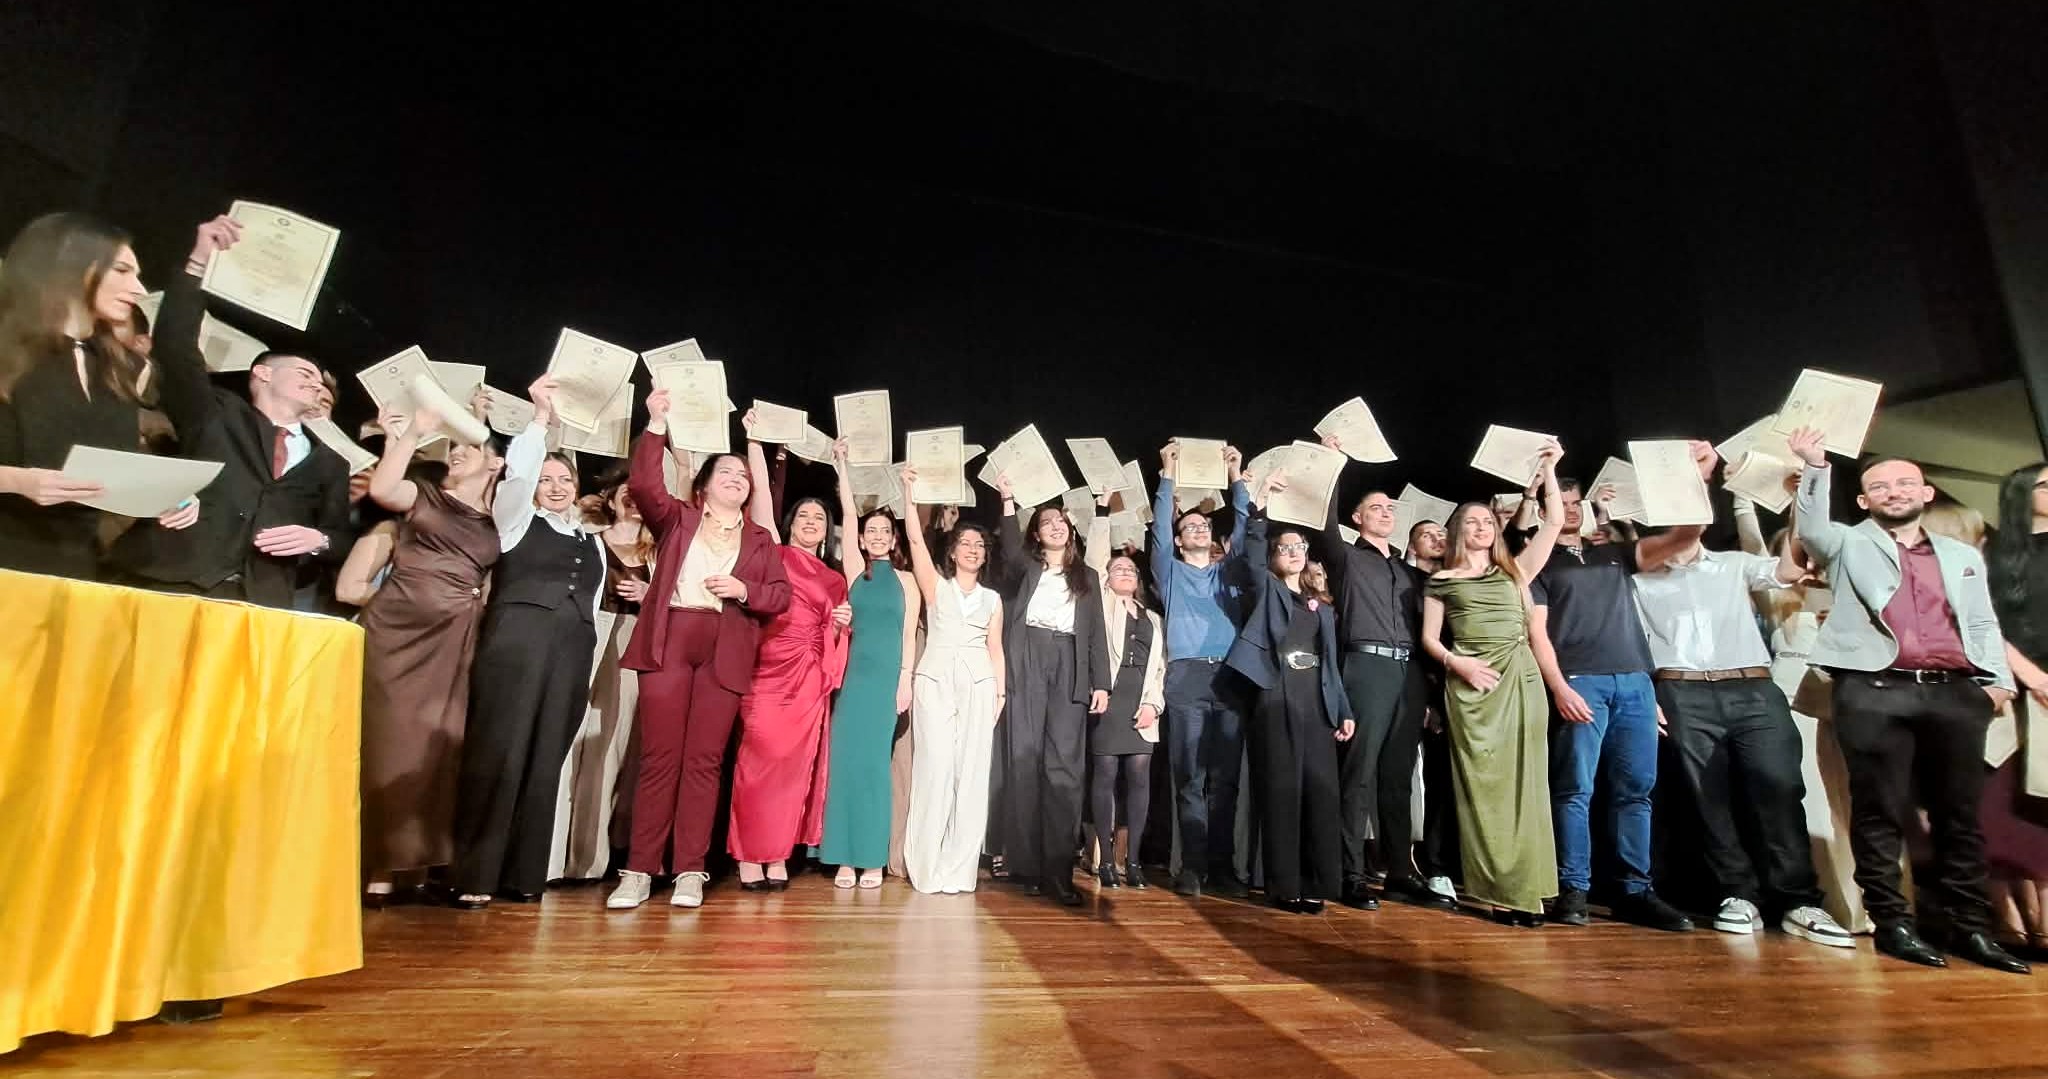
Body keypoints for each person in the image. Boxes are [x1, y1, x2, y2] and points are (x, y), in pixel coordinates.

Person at [1787, 428, 2026, 973]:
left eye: (1904, 483)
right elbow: (1814, 529)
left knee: (1959, 815)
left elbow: (1981, 621)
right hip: (1875, 690)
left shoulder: (1960, 554)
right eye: (1880, 486)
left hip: (1953, 691)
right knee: (1879, 812)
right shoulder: (1847, 543)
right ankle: (1893, 923)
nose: (1894, 492)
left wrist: (1998, 681)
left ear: (1926, 493)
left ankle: (1971, 928)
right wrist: (1816, 467)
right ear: (1862, 500)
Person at [1630, 470, 1854, 947]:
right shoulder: (1639, 578)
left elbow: (1789, 571)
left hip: (1753, 687)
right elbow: (1630, 642)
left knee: (1780, 787)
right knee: (1706, 796)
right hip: (1681, 691)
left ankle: (1798, 901)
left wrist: (1801, 496)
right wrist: (1646, 696)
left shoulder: (1733, 564)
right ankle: (1737, 894)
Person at [109, 215, 353, 607]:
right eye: (304, 373)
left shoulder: (332, 464)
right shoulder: (215, 412)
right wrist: (198, 264)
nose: (315, 384)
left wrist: (319, 540)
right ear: (263, 374)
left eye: (320, 382)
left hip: (258, 601)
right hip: (173, 581)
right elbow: (175, 347)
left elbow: (340, 537)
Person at [608, 390, 791, 910]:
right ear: (705, 485)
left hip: (725, 647)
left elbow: (780, 596)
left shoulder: (759, 538)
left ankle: (690, 869)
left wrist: (745, 590)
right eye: (725, 472)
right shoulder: (678, 519)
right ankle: (639, 871)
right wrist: (656, 423)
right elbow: (645, 484)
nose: (737, 478)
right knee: (660, 758)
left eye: (743, 475)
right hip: (671, 639)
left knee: (705, 762)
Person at [1527, 449, 1715, 932]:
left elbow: (1686, 535)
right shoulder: (1538, 564)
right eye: (1562, 502)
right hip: (1581, 682)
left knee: (1636, 790)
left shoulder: (1611, 553)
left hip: (1634, 682)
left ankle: (1635, 890)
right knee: (1575, 789)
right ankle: (1573, 888)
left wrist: (1696, 479)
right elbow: (1536, 632)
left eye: (1577, 502)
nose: (1571, 510)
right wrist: (1559, 686)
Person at [448, 378, 601, 909]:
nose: (555, 487)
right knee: (501, 750)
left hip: (571, 652)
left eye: (565, 479)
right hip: (516, 646)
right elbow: (517, 475)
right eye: (547, 479)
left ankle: (524, 873)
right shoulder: (515, 521)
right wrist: (539, 420)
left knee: (545, 757)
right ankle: (475, 873)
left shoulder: (591, 540)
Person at [353, 394, 509, 906]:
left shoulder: (497, 518)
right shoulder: (425, 495)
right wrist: (413, 432)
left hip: (452, 639)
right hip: (398, 630)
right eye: (454, 447)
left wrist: (479, 418)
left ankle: (410, 861)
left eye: (471, 448)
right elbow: (381, 488)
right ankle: (372, 862)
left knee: (430, 748)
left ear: (495, 464)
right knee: (386, 741)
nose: (458, 452)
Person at [1418, 442, 1566, 926]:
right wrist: (1458, 664)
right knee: (1484, 790)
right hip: (1473, 688)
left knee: (1528, 786)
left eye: (1487, 521)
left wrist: (1549, 470)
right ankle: (1499, 892)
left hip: (1520, 678)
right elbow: (1429, 639)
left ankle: (1530, 890)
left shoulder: (1515, 570)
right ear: (1458, 531)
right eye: (1472, 522)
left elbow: (1554, 523)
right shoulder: (1442, 580)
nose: (1481, 527)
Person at [0, 212, 193, 580]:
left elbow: (104, 464)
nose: (139, 289)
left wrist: (169, 493)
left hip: (73, 568)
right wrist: (16, 482)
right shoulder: (7, 351)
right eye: (122, 270)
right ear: (71, 266)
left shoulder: (117, 368)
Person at [725, 417, 851, 890]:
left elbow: (835, 631)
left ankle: (777, 854)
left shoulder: (835, 579)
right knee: (757, 761)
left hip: (808, 678)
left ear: (827, 530)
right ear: (790, 524)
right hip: (767, 669)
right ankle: (748, 854)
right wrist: (755, 441)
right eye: (803, 517)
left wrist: (839, 625)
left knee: (794, 772)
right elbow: (760, 499)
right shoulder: (773, 554)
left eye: (819, 518)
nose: (811, 523)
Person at [1315, 435, 1439, 910]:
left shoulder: (1410, 573)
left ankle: (1401, 871)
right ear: (1357, 518)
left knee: (1398, 776)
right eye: (1376, 508)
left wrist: (1429, 693)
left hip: (1409, 672)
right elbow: (1324, 522)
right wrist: (1333, 463)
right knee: (1359, 772)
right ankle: (1350, 873)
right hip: (1366, 667)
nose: (1386, 513)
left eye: (1390, 508)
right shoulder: (1347, 558)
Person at [1225, 472, 1355, 913]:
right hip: (1277, 696)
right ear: (1274, 557)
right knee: (1283, 791)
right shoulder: (1268, 590)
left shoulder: (1322, 608)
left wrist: (1343, 709)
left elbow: (1332, 665)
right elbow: (1250, 553)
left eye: (1300, 547)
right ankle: (1284, 886)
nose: (1295, 553)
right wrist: (1259, 506)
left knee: (1320, 793)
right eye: (1285, 548)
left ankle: (1315, 881)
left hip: (1316, 703)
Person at [996, 478, 1111, 906]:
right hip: (1028, 656)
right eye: (1046, 522)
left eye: (1061, 521)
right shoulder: (1027, 569)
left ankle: (1059, 872)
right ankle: (1026, 866)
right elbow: (1009, 551)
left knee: (1065, 769)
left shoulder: (1088, 577)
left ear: (1071, 530)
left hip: (1069, 662)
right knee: (1025, 760)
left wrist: (1102, 682)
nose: (1055, 526)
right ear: (1036, 534)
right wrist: (1008, 500)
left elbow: (1096, 633)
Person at [1151, 440, 1253, 898]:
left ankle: (1223, 867)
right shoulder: (1170, 572)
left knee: (1225, 778)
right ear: (1178, 539)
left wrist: (1236, 477)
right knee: (1190, 776)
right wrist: (1167, 471)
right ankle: (1192, 867)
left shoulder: (1226, 572)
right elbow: (1158, 528)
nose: (1198, 529)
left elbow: (1245, 530)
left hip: (1229, 677)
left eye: (1205, 525)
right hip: (1187, 677)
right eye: (1189, 526)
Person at [900, 469, 1006, 895]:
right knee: (934, 769)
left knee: (972, 774)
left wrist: (1000, 691)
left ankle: (959, 869)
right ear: (953, 550)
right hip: (936, 679)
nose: (973, 549)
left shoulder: (992, 599)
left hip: (979, 684)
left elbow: (996, 648)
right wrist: (910, 496)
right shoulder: (937, 588)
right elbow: (914, 541)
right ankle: (926, 866)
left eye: (979, 544)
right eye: (965, 542)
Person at [819, 445, 920, 888]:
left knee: (876, 767)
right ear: (860, 539)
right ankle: (844, 857)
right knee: (845, 764)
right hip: (853, 681)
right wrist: (841, 464)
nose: (877, 536)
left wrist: (905, 681)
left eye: (885, 531)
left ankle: (872, 858)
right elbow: (846, 509)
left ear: (894, 540)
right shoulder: (855, 572)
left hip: (885, 683)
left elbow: (908, 635)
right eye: (870, 531)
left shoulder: (907, 581)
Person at [548, 469, 654, 882]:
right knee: (566, 742)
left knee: (610, 747)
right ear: (610, 499)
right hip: (583, 635)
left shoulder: (656, 552)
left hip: (629, 639)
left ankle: (588, 859)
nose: (633, 499)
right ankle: (550, 856)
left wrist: (649, 594)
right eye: (627, 492)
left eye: (640, 494)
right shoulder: (587, 537)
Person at [1084, 500, 1166, 889]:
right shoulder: (1101, 607)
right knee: (1105, 774)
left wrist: (1153, 704)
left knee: (1139, 778)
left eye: (1130, 569)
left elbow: (1161, 667)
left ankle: (1132, 861)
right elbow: (1096, 562)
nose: (1125, 573)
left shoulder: (1153, 619)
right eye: (1117, 569)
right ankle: (1103, 860)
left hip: (1141, 703)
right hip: (1110, 699)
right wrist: (1102, 513)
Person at [1986, 462, 2048, 954]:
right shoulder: (1998, 555)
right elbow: (1984, 625)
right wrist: (2032, 676)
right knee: (2005, 806)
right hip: (2015, 689)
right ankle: (2014, 919)